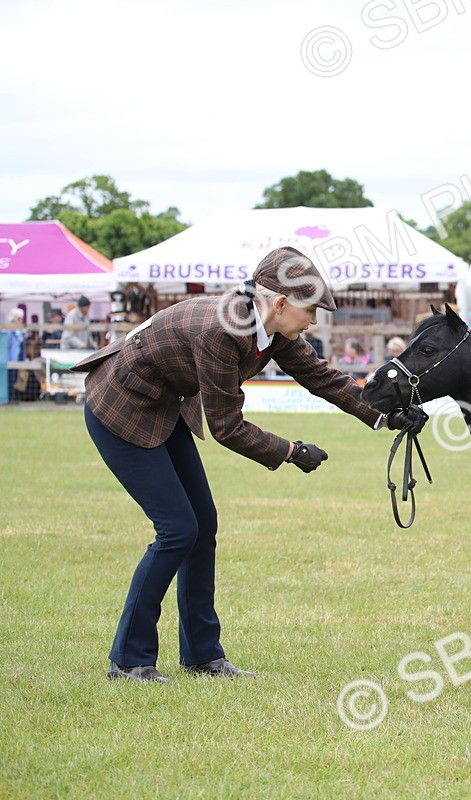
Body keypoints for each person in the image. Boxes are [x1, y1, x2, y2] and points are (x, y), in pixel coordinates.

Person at [72, 246, 427, 684]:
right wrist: (292, 451)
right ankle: (129, 660)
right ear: (279, 303)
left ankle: (203, 656)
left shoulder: (273, 329)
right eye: (310, 310)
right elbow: (226, 426)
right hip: (121, 409)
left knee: (202, 526)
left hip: (163, 407)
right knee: (178, 529)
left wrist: (383, 414)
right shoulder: (222, 331)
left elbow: (323, 378)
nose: (314, 320)